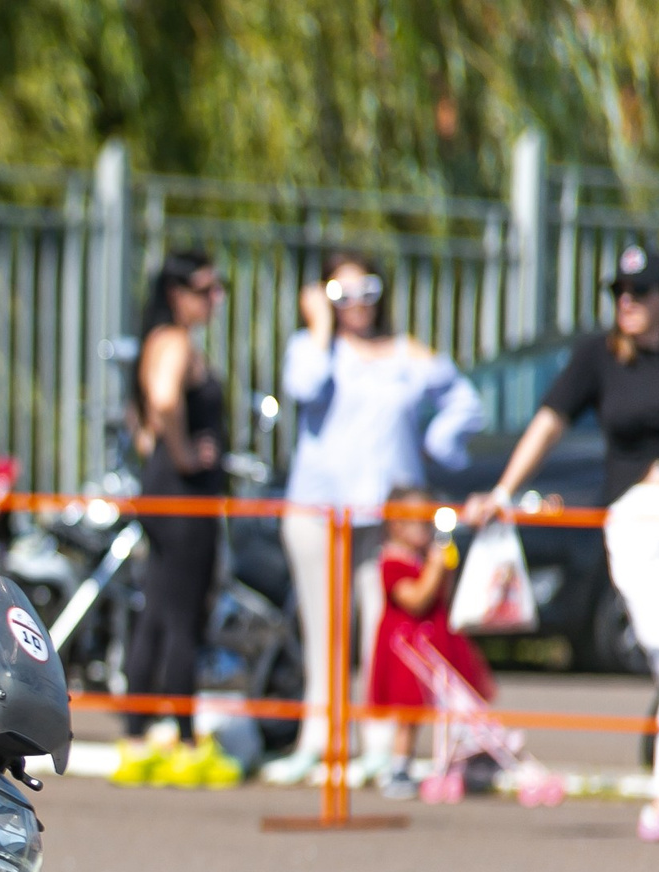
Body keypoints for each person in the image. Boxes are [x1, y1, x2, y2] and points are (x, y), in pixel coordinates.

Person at [466, 244, 659, 843]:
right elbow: (548, 422)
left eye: (639, 292)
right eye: (619, 294)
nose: (626, 303)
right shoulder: (597, 359)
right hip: (637, 518)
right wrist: (503, 489)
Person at [271, 250, 486, 786]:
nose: (357, 304)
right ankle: (318, 741)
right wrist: (319, 324)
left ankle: (382, 748)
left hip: (389, 519)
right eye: (341, 294)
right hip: (319, 510)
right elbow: (304, 387)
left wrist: (436, 443)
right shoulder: (311, 348)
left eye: (366, 289)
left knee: (388, 636)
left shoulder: (407, 353)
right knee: (325, 635)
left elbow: (466, 401)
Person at [114, 251, 240, 789]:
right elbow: (163, 401)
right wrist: (185, 453)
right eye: (206, 289)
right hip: (182, 492)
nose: (215, 299)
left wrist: (159, 448)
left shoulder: (156, 341)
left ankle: (139, 732)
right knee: (182, 613)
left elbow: (142, 416)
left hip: (164, 485)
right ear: (176, 292)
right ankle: (184, 737)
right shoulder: (175, 342)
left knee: (159, 609)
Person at [366, 489, 492, 798]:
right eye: (417, 521)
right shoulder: (392, 562)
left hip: (434, 641)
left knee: (448, 707)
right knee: (408, 714)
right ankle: (399, 765)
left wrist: (444, 567)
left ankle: (451, 763)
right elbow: (416, 599)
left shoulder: (425, 556)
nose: (424, 528)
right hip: (405, 648)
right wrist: (435, 567)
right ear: (395, 524)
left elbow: (440, 597)